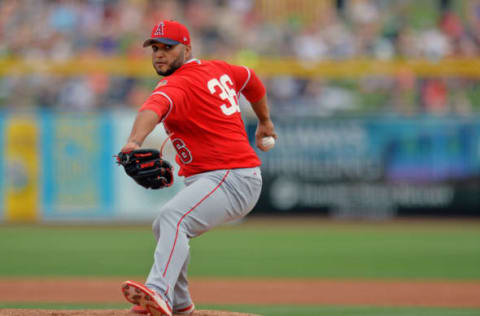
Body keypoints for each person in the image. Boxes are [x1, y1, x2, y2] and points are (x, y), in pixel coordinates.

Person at [119, 20, 277, 316]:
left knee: (173, 218)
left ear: (187, 48)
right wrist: (265, 120)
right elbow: (251, 80)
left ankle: (158, 292)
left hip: (231, 176)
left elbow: (151, 109)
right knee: (164, 225)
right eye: (155, 48)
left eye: (168, 47)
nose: (159, 54)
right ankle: (180, 303)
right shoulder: (219, 68)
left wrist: (133, 142)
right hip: (228, 177)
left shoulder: (177, 83)